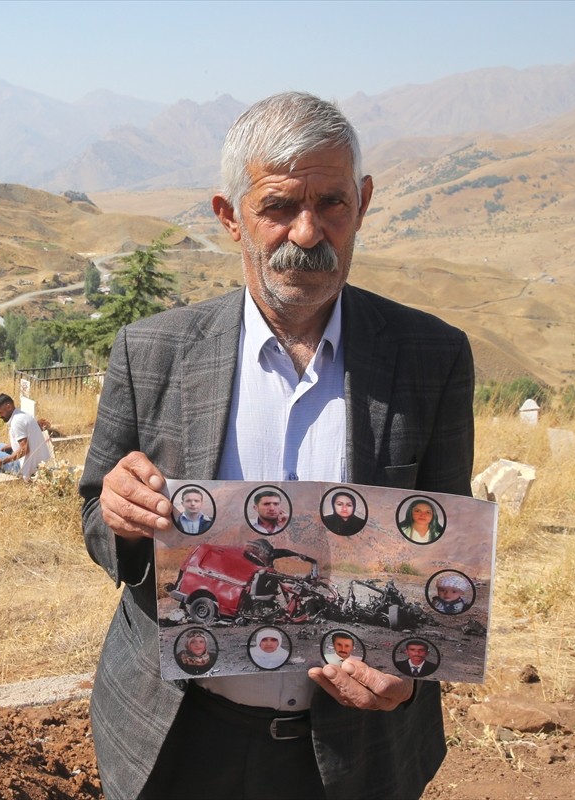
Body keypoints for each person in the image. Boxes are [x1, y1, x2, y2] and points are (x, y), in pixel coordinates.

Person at [79, 91, 475, 799]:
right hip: (178, 738)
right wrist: (120, 514)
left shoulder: (430, 357)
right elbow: (94, 519)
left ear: (364, 201)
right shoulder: (153, 352)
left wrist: (408, 673)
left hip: (355, 755)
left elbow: (442, 556)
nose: (308, 231)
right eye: (278, 207)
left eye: (331, 203)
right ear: (230, 216)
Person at [0, 393, 52, 480]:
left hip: (26, 469)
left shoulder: (16, 422)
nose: (0, 416)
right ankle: (0, 475)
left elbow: (25, 449)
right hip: (39, 463)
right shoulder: (24, 415)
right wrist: (4, 449)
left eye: (0, 412)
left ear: (8, 407)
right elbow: (24, 443)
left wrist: (3, 461)